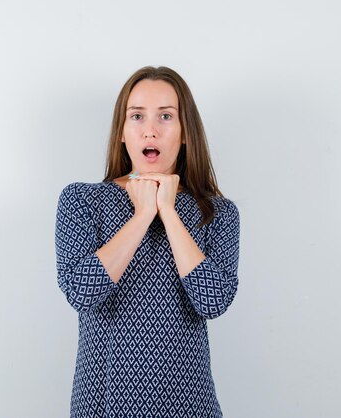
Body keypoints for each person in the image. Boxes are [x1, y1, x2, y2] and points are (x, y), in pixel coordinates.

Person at [54, 66, 240, 418]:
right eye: (136, 116)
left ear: (186, 133)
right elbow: (81, 293)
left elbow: (212, 302)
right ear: (122, 133)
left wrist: (168, 212)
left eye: (166, 116)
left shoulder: (218, 212)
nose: (150, 129)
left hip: (191, 407)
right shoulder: (81, 200)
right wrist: (141, 216)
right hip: (103, 407)